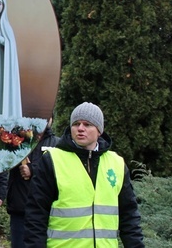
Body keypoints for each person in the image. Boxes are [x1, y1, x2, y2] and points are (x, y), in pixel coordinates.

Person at [24, 102, 144, 247]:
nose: (80, 128)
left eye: (87, 124)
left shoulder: (116, 163)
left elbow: (129, 216)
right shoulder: (52, 160)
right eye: (76, 124)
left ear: (99, 130)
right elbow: (36, 215)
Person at [6, 116, 59, 248]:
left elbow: (60, 171)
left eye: (47, 117)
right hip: (20, 209)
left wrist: (33, 169)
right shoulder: (18, 141)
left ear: (51, 119)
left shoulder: (56, 144)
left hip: (46, 212)